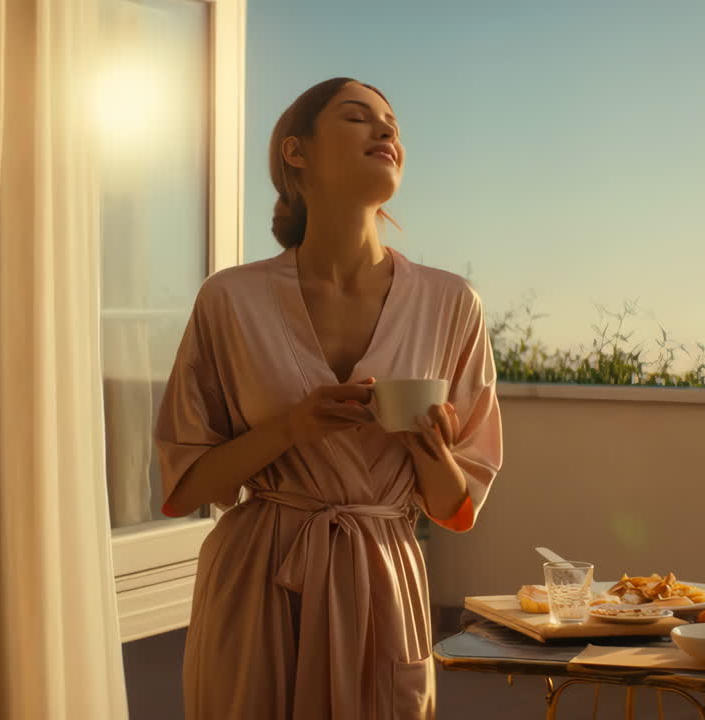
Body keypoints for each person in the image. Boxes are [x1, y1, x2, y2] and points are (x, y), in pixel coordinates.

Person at [154, 77, 503, 719]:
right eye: (357, 117)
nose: (387, 131)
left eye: (392, 122)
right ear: (297, 152)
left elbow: (456, 509)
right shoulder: (229, 301)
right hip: (257, 579)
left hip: (381, 581)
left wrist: (430, 449)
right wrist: (290, 428)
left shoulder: (451, 304)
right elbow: (182, 490)